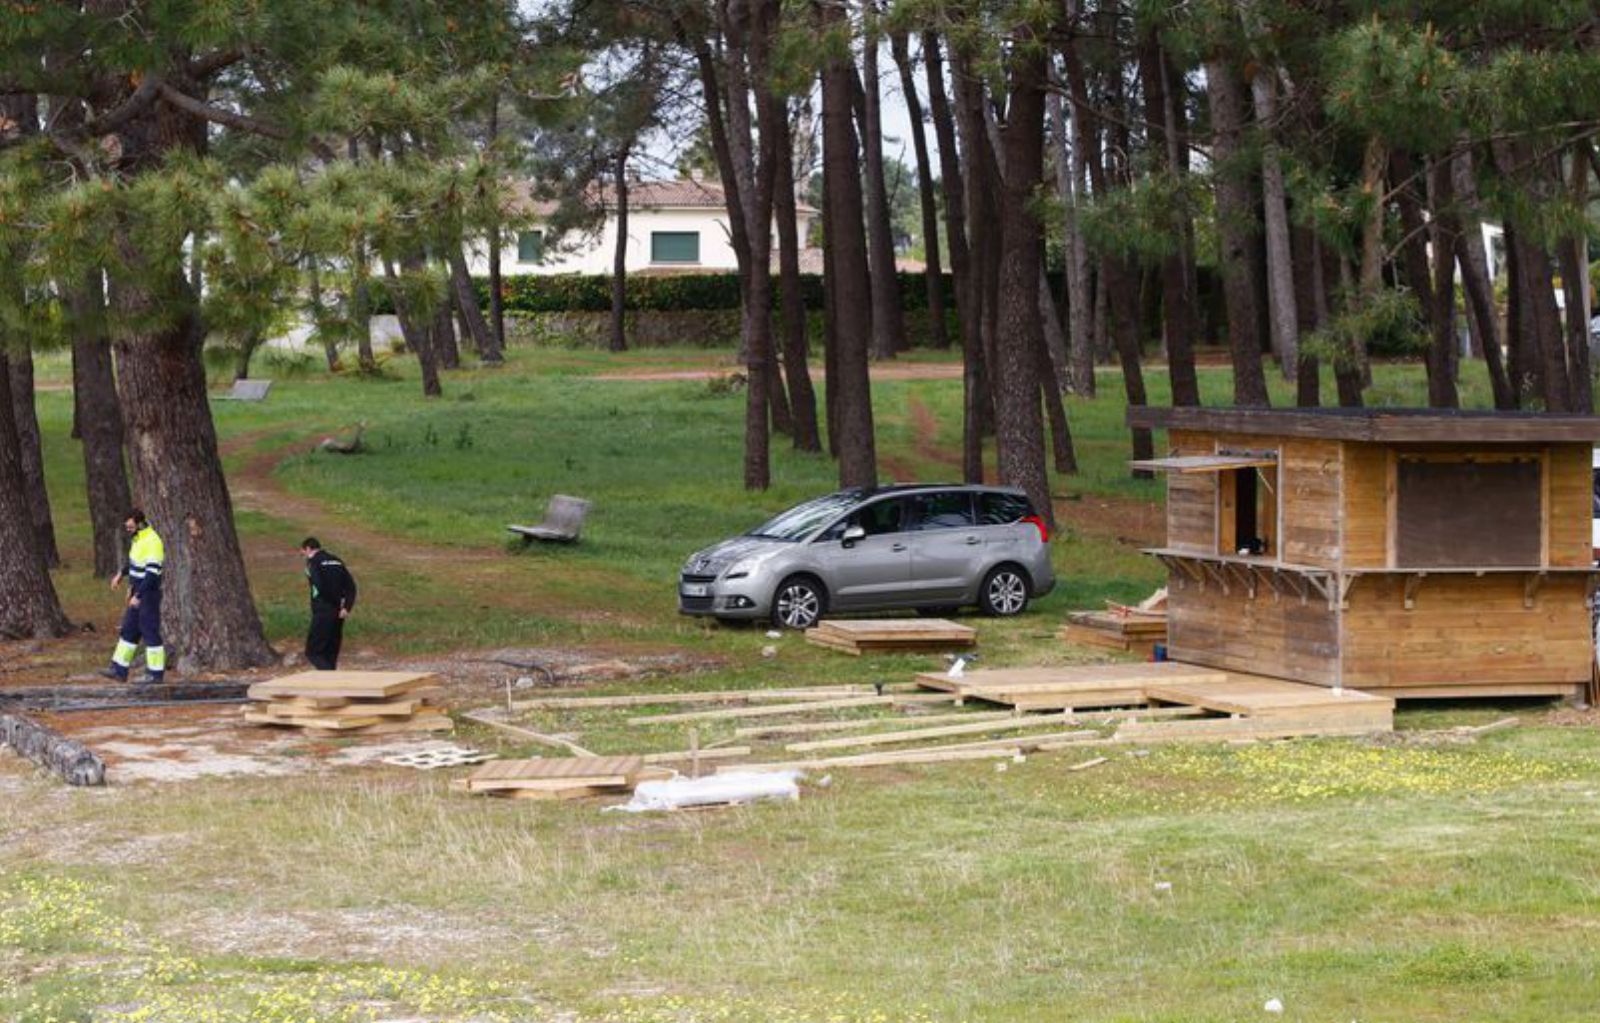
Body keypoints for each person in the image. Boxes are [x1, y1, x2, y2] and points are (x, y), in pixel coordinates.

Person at [100, 510, 166, 684]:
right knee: (129, 629)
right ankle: (118, 670)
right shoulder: (138, 539)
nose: (128, 529)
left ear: (140, 524)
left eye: (130, 526)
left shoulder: (153, 541)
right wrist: (121, 574)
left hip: (148, 592)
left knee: (149, 631)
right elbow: (135, 564)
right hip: (138, 590)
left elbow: (152, 575)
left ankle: (155, 674)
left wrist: (139, 595)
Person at [301, 538, 357, 670]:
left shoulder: (312, 562)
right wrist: (346, 607)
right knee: (331, 651)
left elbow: (319, 585)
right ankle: (330, 681)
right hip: (340, 611)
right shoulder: (337, 560)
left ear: (308, 549)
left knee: (313, 651)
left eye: (303, 551)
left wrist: (331, 604)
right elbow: (351, 586)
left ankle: (330, 676)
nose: (303, 554)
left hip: (323, 609)